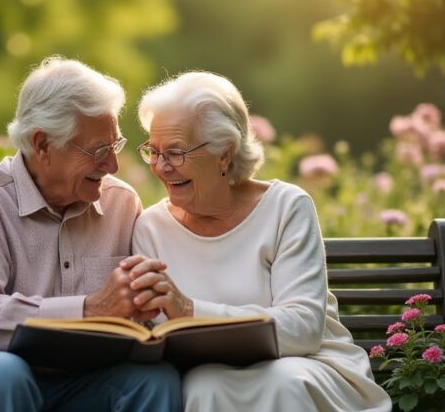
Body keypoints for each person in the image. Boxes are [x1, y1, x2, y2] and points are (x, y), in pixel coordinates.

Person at [0, 56, 181, 411]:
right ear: (42, 144)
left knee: (155, 381)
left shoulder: (122, 203)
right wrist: (89, 310)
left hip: (77, 381)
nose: (113, 166)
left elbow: (136, 318)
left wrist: (146, 310)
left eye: (114, 147)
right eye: (99, 151)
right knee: (4, 374)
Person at [129, 71, 392, 411]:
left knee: (282, 381)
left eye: (175, 153)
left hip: (310, 364)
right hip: (209, 374)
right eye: (153, 151)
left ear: (225, 153)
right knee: (203, 386)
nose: (161, 167)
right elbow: (158, 336)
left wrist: (190, 311)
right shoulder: (151, 227)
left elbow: (302, 329)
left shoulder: (286, 207)